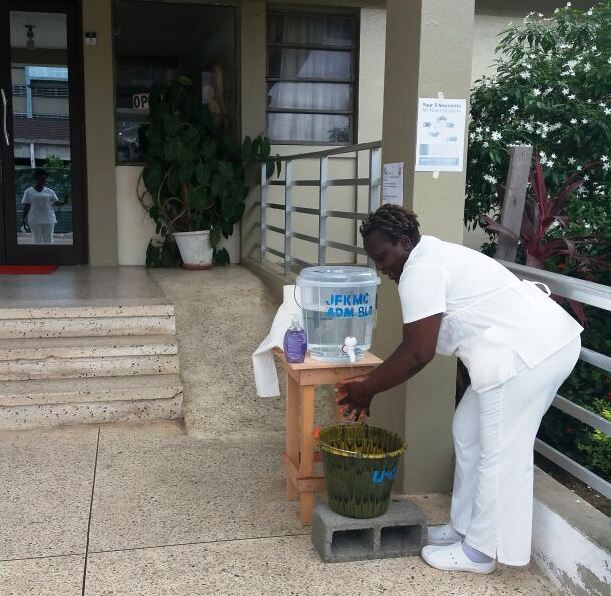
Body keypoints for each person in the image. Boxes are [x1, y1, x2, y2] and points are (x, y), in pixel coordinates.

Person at [336, 204, 582, 574]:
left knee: (500, 452)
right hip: (524, 349)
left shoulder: (421, 270)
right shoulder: (427, 256)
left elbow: (418, 351)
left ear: (404, 242)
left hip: (529, 354)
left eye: (382, 256)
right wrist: (370, 386)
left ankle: (480, 553)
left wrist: (368, 389)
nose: (380, 267)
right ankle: (463, 528)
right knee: (467, 433)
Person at [21, 168, 67, 244]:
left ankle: (49, 255)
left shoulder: (50, 191)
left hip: (49, 219)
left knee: (48, 239)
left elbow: (56, 202)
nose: (43, 181)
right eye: (41, 179)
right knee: (36, 239)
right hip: (34, 219)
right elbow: (27, 205)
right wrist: (23, 218)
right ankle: (38, 255)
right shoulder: (29, 191)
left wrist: (64, 202)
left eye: (44, 179)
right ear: (36, 179)